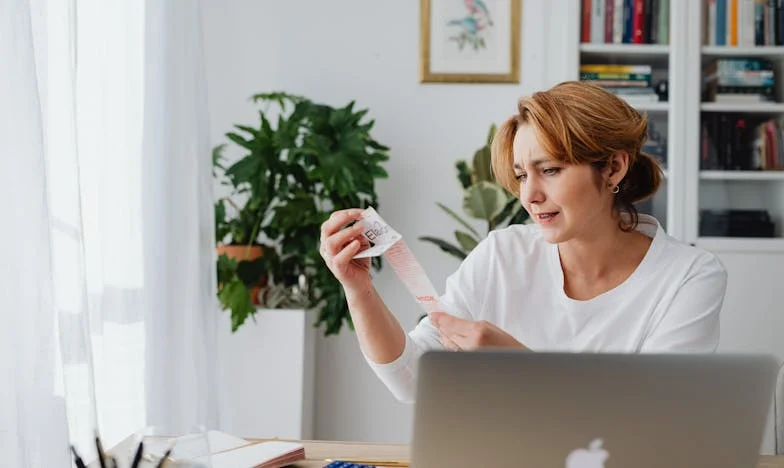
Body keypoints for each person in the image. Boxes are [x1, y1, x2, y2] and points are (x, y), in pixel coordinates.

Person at [318, 81, 728, 403]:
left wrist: (520, 365)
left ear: (613, 168)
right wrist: (359, 290)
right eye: (520, 175)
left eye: (549, 170)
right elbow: (412, 380)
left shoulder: (687, 276)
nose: (529, 195)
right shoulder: (502, 254)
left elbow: (656, 416)